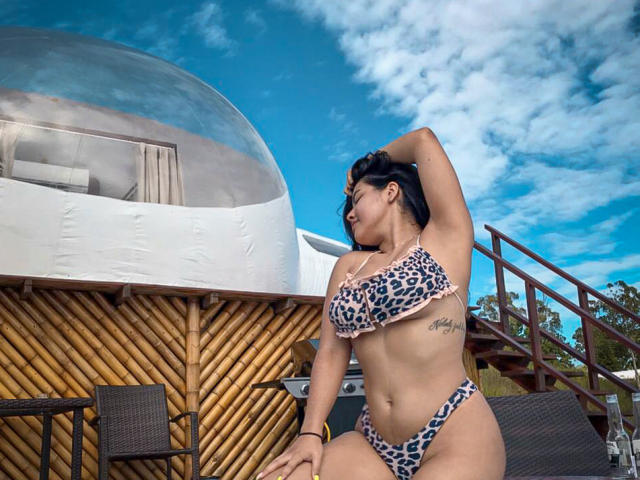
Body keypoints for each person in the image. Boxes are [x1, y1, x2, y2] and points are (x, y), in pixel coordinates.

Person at [256, 127, 506, 480]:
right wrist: (310, 434)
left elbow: (423, 141)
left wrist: (366, 164)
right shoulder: (349, 267)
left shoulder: (444, 240)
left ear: (391, 191)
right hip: (373, 442)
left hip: (452, 432)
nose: (349, 214)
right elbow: (331, 351)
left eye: (357, 198)